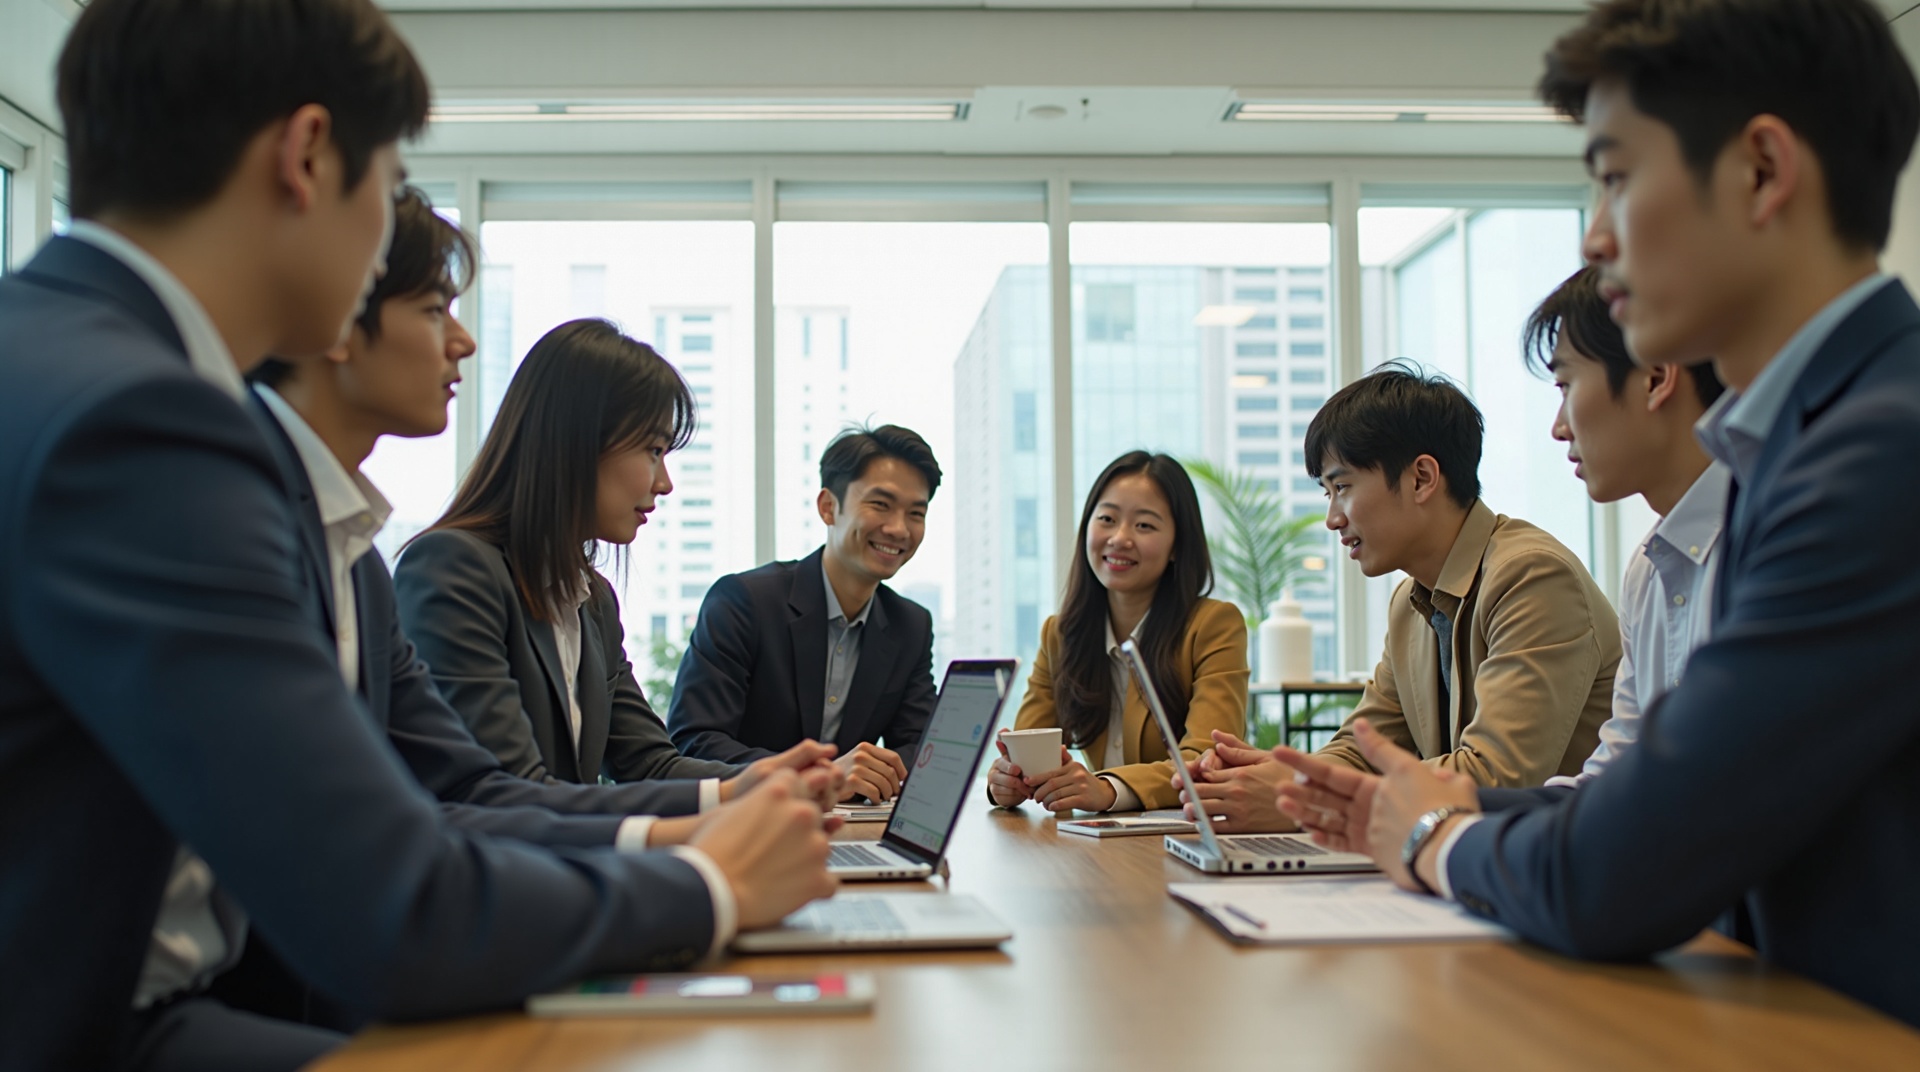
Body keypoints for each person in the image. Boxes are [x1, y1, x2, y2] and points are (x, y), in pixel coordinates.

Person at [0, 4, 832, 1069]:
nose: (459, 329)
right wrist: (712, 882)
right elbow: (389, 906)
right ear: (306, 157)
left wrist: (694, 836)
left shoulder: (82, 365)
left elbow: (447, 803)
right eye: (383, 175)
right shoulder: (141, 421)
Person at [1272, 0, 1920, 1031]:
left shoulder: (1875, 455)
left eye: (1618, 176)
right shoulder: (1802, 446)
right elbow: (1664, 803)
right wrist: (1428, 807)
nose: (1596, 234)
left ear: (1761, 170)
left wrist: (1433, 837)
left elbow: (1628, 864)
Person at [395, 318, 821, 810]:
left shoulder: (592, 599)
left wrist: (775, 779)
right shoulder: (454, 568)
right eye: (654, 450)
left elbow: (649, 764)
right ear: (577, 441)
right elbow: (505, 795)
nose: (665, 483)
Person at [1183, 362, 1620, 832]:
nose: (1332, 518)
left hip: (1558, 866)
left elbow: (1500, 776)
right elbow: (1363, 747)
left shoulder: (1531, 577)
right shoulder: (1412, 602)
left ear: (1421, 478)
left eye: (1342, 487)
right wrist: (1284, 776)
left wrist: (1306, 794)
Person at [1526, 265, 1727, 786]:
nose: (1559, 427)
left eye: (1566, 384)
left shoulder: (1768, 539)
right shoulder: (1649, 567)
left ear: (1656, 378)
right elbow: (1616, 781)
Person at [668, 425, 942, 803]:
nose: (898, 528)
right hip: (745, 823)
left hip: (847, 832)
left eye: (916, 512)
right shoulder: (744, 600)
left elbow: (920, 749)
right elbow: (694, 741)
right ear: (828, 507)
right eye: (880, 505)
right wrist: (821, 778)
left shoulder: (910, 625)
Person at [985, 451, 1248, 813]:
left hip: (1179, 841)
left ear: (1177, 545)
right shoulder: (1060, 634)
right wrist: (1006, 781)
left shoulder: (1214, 625)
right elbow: (1028, 750)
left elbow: (1205, 762)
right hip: (1094, 845)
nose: (1120, 538)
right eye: (1107, 518)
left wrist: (1108, 790)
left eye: (1144, 525)